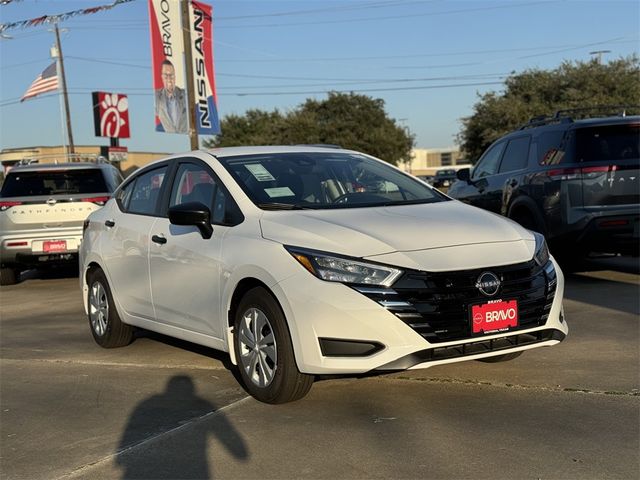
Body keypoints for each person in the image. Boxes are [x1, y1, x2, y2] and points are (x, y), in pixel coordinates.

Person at [154, 59, 188, 134]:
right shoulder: (156, 97)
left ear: (175, 77)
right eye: (166, 75)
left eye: (171, 75)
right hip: (170, 139)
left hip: (186, 137)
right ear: (162, 77)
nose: (169, 79)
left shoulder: (185, 94)